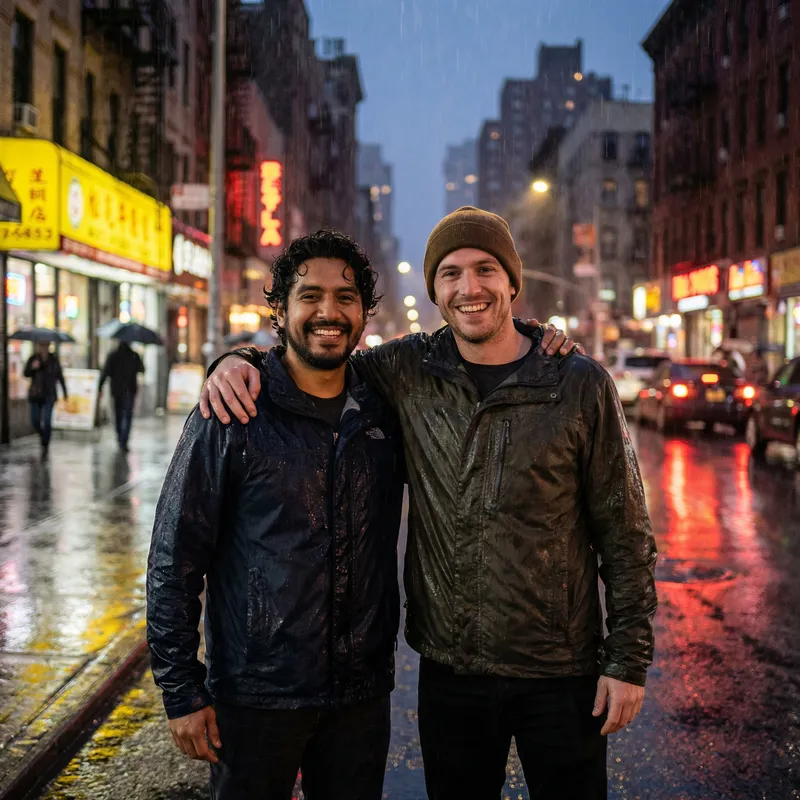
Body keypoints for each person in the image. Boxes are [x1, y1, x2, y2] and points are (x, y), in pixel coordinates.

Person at [201, 207, 658, 800]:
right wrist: (238, 361)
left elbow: (625, 533)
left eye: (485, 270)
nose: (469, 288)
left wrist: (627, 660)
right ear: (435, 291)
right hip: (453, 672)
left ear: (512, 283)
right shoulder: (405, 369)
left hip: (562, 670)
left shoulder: (579, 383)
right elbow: (314, 361)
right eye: (450, 274)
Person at [24, 341, 68, 456]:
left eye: (45, 345)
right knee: (35, 420)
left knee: (47, 420)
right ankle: (42, 435)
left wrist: (65, 393)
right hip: (35, 395)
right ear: (38, 346)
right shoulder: (33, 359)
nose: (43, 348)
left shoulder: (53, 360)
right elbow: (25, 373)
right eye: (41, 345)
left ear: (49, 346)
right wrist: (33, 368)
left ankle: (46, 442)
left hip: (49, 394)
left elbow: (60, 376)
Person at [99, 341, 144, 452]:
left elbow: (106, 372)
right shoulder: (134, 355)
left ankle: (120, 438)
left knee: (118, 415)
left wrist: (100, 386)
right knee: (127, 416)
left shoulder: (113, 355)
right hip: (130, 390)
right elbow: (142, 369)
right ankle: (124, 440)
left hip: (117, 390)